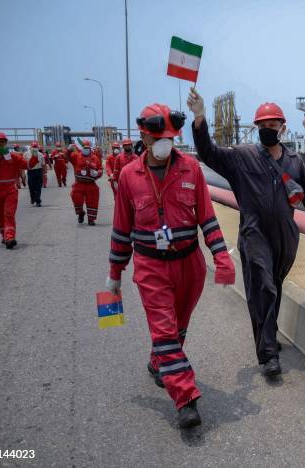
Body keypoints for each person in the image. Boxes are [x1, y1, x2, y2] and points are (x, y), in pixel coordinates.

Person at [188, 89, 305, 377]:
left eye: (273, 126)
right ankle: (269, 354)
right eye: (262, 126)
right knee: (264, 288)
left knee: (273, 287)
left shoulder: (294, 161)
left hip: (285, 237)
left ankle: (267, 335)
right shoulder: (242, 157)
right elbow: (208, 152)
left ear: (282, 127)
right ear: (256, 129)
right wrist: (199, 118)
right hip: (254, 233)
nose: (268, 130)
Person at [105, 103, 236, 429]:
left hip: (190, 265)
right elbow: (121, 229)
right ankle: (186, 396)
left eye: (170, 138)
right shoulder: (128, 176)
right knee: (164, 330)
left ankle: (159, 360)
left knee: (177, 326)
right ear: (144, 137)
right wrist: (114, 274)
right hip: (151, 266)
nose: (165, 144)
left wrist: (222, 258)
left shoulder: (191, 169)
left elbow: (207, 218)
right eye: (158, 138)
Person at [66, 139, 103, 225]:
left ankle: (91, 219)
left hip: (91, 184)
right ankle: (80, 212)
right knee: (76, 198)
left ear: (90, 148)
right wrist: (68, 150)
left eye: (87, 147)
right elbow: (67, 157)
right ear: (82, 148)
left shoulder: (95, 158)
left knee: (92, 201)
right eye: (84, 147)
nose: (86, 149)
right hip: (79, 183)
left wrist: (97, 173)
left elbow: (100, 169)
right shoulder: (76, 156)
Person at [26, 141, 46, 207]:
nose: (34, 148)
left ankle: (38, 201)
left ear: (37, 147)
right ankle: (32, 197)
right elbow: (23, 163)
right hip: (30, 172)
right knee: (31, 186)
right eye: (33, 147)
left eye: (35, 147)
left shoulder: (40, 155)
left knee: (38, 187)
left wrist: (44, 174)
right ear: (30, 147)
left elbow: (43, 165)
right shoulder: (26, 154)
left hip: (38, 171)